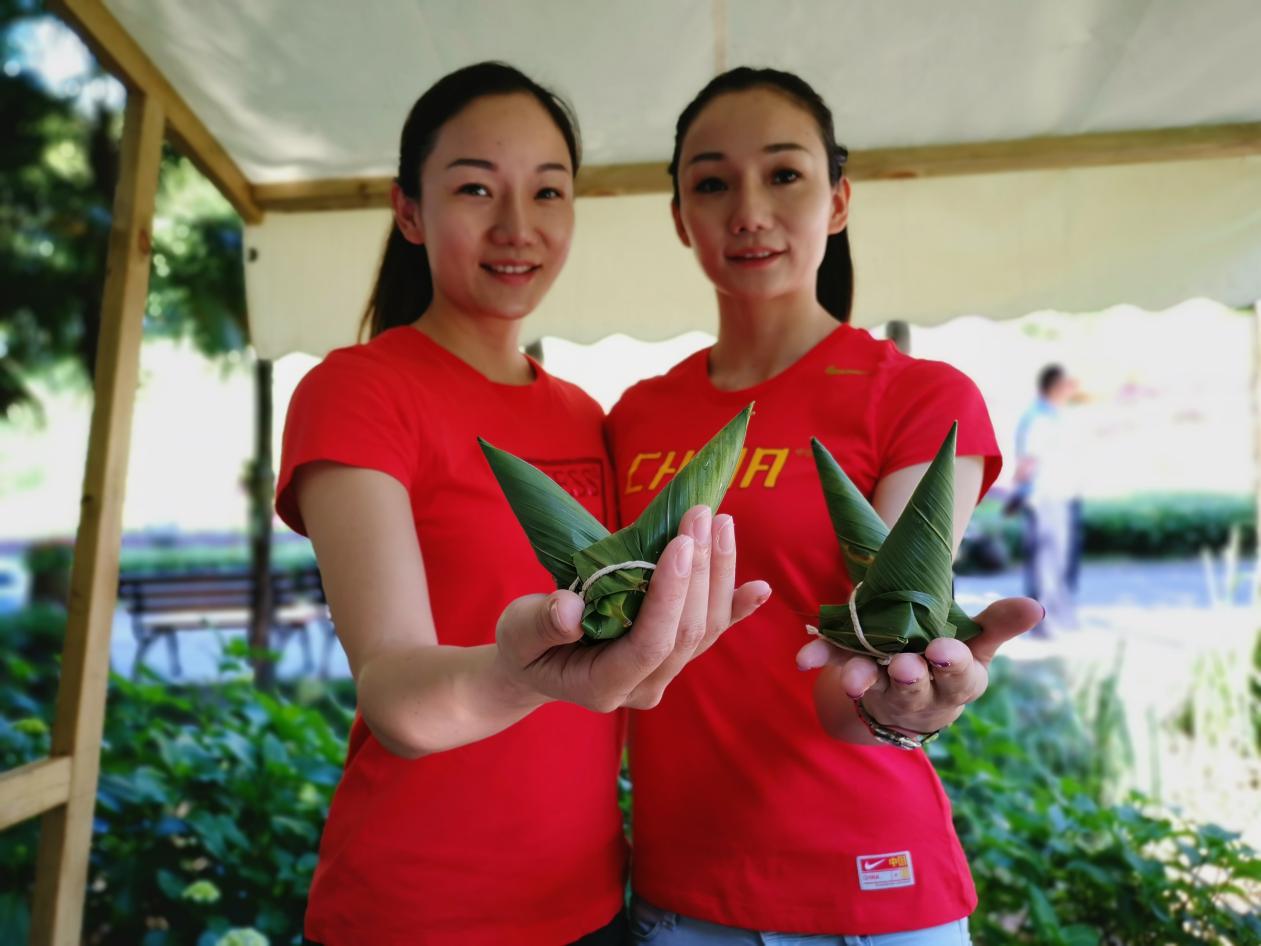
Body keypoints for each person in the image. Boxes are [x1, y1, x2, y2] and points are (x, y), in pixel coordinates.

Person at [275, 62, 768, 946]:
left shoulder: (584, 415)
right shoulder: (356, 392)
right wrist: (517, 674)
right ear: (409, 211)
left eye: (549, 191)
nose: (517, 227)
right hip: (418, 913)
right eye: (474, 188)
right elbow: (395, 692)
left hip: (593, 907)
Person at [606, 67, 1042, 945]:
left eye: (784, 174)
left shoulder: (918, 400)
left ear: (837, 200)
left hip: (870, 886)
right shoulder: (634, 418)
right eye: (711, 183)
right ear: (679, 217)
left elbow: (877, 657)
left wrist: (902, 703)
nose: (748, 210)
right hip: (680, 888)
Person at [1012, 364, 1082, 635]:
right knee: (1048, 562)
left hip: (1057, 496)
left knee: (1057, 560)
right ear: (1054, 386)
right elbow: (1027, 462)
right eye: (1067, 385)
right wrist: (1017, 493)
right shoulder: (1040, 417)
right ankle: (1045, 623)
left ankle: (1058, 617)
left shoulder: (1050, 415)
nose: (1070, 391)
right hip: (1045, 498)